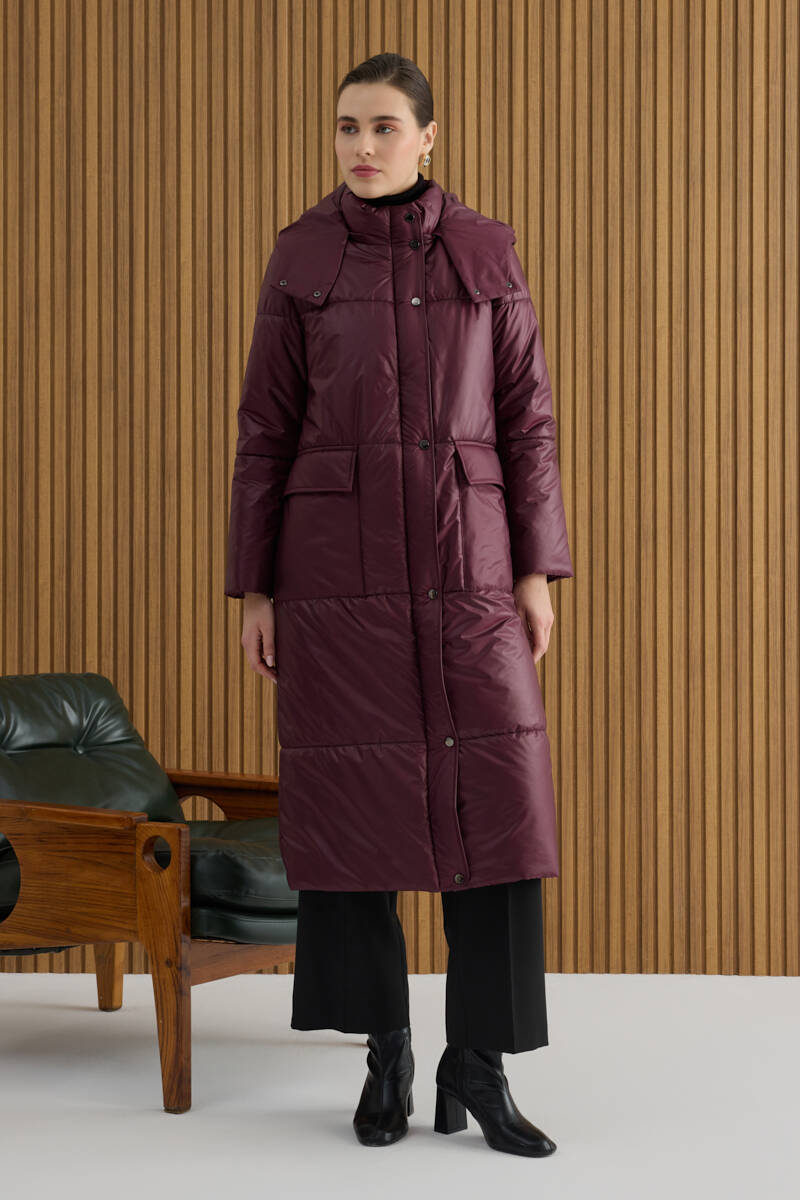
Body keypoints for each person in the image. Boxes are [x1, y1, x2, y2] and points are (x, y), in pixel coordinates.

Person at [225, 53, 573, 1156]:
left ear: (428, 137)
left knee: (498, 808)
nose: (361, 146)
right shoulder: (301, 253)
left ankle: (479, 1062)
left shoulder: (486, 249)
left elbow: (526, 419)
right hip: (334, 573)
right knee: (348, 806)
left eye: (382, 127)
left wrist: (533, 570)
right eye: (346, 127)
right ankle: (384, 1048)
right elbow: (265, 431)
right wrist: (255, 586)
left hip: (470, 566)